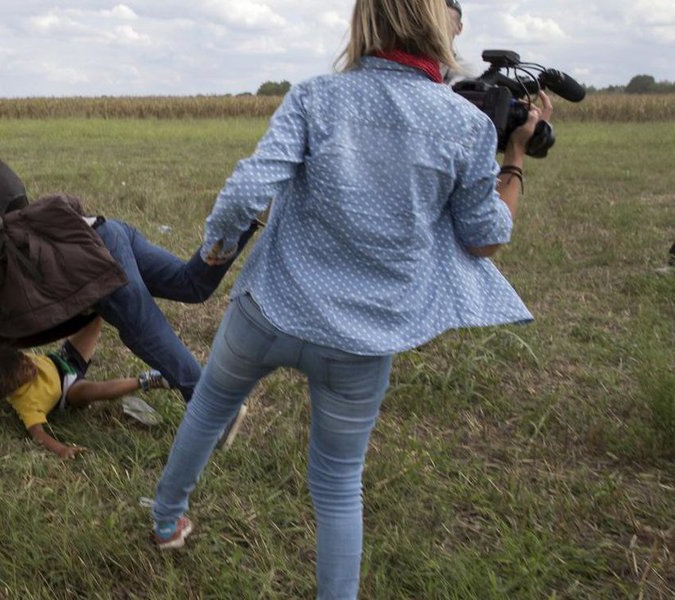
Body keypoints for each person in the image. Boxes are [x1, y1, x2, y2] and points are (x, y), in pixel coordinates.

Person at [148, 0, 550, 597]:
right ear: (441, 26)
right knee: (337, 483)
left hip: (268, 309)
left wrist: (215, 248)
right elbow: (486, 237)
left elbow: (248, 190)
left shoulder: (315, 97)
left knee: (208, 407)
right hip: (361, 342)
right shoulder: (467, 126)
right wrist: (513, 158)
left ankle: (164, 519)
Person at [0, 193, 259, 443]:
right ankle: (244, 217)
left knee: (142, 329)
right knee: (190, 285)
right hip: (104, 233)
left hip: (91, 262)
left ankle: (215, 410)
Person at [0, 316, 170, 459]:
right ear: (14, 387)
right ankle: (147, 381)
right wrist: (61, 449)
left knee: (94, 319)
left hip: (63, 360)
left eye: (25, 359)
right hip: (69, 390)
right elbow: (38, 435)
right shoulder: (26, 403)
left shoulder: (12, 361)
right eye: (25, 372)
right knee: (91, 392)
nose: (30, 364)